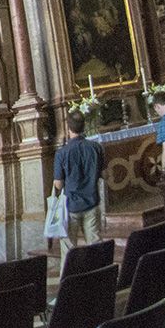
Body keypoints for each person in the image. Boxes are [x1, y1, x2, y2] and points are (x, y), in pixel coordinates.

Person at [52, 111, 104, 263]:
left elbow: (58, 183)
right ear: (84, 126)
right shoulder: (96, 147)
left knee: (68, 251)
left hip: (71, 206)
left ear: (68, 128)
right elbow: (104, 174)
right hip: (92, 202)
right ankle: (100, 277)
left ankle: (67, 283)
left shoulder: (62, 153)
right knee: (95, 247)